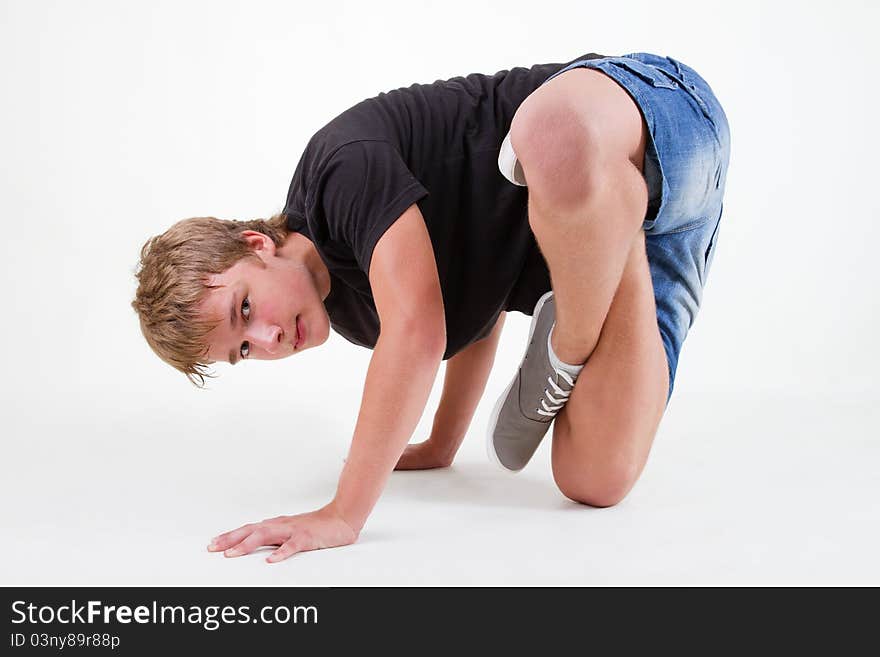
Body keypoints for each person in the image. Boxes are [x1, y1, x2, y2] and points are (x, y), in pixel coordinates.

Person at [131, 51, 730, 563]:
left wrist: (344, 513)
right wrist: (443, 443)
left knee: (547, 133)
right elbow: (469, 321)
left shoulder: (338, 170)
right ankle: (615, 226)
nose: (265, 340)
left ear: (256, 245)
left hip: (649, 116)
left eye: (243, 311)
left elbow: (418, 335)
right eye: (242, 351)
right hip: (661, 225)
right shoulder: (355, 316)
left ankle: (568, 340)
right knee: (594, 482)